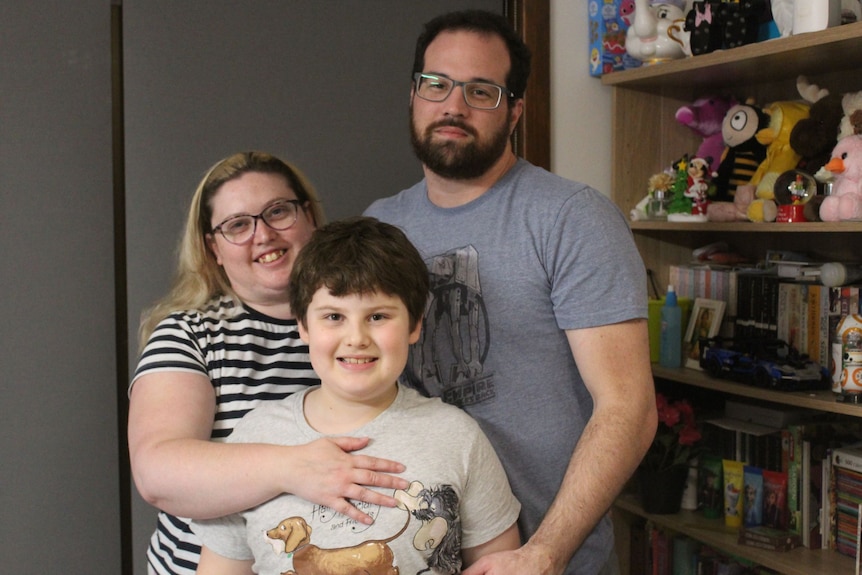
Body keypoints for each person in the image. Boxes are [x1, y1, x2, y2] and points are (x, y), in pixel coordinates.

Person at [364, 10, 658, 575]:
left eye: (482, 90)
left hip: (548, 562)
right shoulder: (380, 225)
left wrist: (544, 553)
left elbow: (629, 408)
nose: (454, 105)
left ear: (516, 111)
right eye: (437, 84)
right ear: (413, 95)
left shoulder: (572, 218)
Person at [128, 152, 410, 575]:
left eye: (278, 212)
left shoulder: (372, 330)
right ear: (214, 248)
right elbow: (158, 473)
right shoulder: (190, 335)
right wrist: (293, 468)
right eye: (237, 225)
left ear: (309, 216)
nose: (263, 234)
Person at [192, 216, 522, 574]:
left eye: (378, 316)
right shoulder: (253, 437)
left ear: (414, 325)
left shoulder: (458, 437)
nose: (356, 338)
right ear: (303, 325)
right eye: (334, 316)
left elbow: (503, 564)